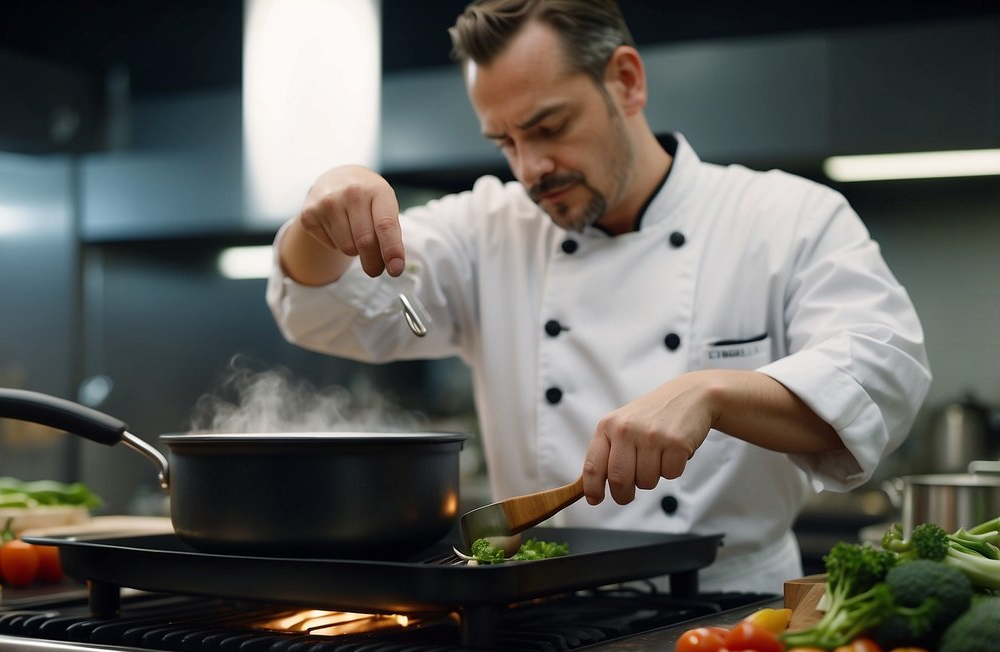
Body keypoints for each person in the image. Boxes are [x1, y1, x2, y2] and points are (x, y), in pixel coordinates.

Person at [265, 0, 931, 592]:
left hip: (732, 616)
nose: (529, 169)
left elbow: (877, 375)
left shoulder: (785, 216)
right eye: (505, 142)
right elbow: (326, 312)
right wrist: (321, 216)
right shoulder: (486, 231)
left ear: (626, 81)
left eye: (549, 126)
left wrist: (712, 392)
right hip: (538, 616)